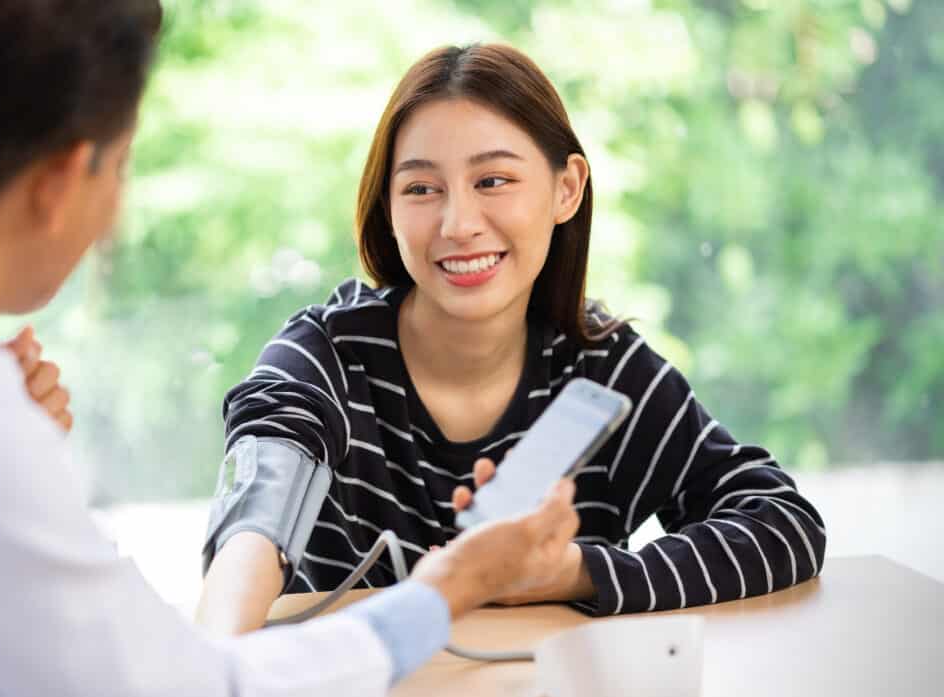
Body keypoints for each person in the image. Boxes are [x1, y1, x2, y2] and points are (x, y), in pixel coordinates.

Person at [0, 4, 582, 696]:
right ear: (61, 183)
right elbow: (194, 682)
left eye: (493, 181)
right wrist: (447, 587)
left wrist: (13, 440)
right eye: (120, 167)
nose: (459, 223)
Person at [198, 43, 827, 634]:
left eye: (492, 180)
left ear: (566, 189)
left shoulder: (601, 366)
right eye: (421, 188)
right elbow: (254, 520)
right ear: (387, 210)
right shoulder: (325, 355)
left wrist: (565, 574)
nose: (458, 223)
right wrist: (214, 658)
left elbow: (783, 523)